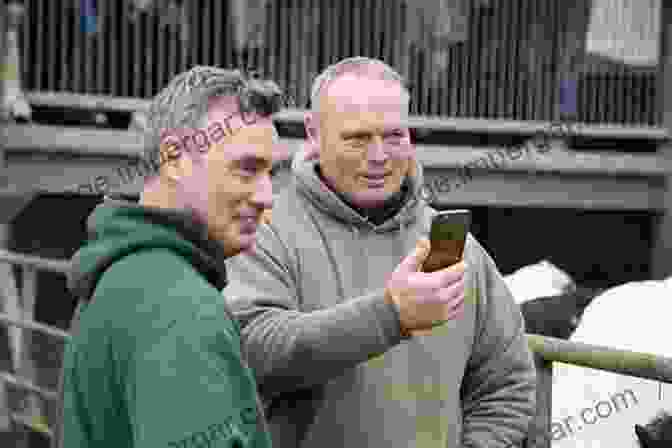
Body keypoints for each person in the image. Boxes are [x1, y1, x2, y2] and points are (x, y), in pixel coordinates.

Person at [223, 57, 537, 448]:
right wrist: (391, 315)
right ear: (313, 133)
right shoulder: (265, 234)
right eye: (357, 138)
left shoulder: (459, 248)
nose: (378, 156)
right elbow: (249, 352)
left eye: (394, 136)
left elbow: (506, 384)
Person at [53, 66, 286, 448]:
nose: (266, 195)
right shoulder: (177, 306)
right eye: (247, 169)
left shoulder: (124, 273)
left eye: (270, 173)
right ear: (174, 158)